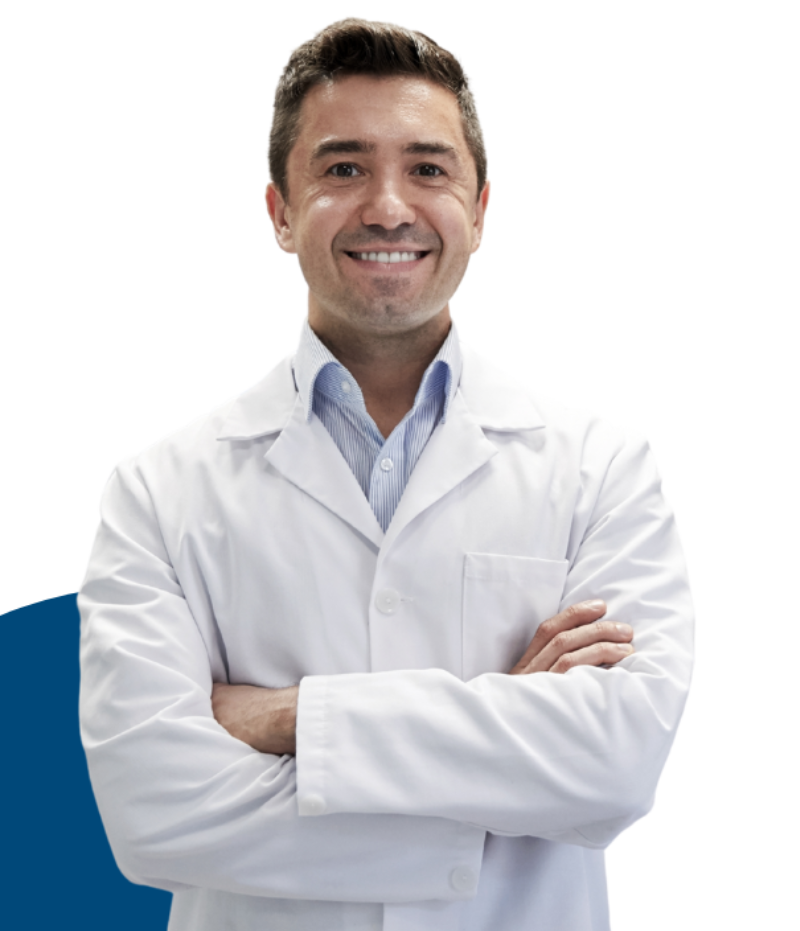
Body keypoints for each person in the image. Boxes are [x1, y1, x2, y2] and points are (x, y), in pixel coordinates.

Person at [78, 17, 695, 931]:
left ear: (480, 210)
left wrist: (292, 717)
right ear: (279, 213)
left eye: (428, 168)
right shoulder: (156, 490)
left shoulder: (602, 469)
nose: (389, 207)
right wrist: (501, 770)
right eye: (342, 168)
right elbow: (152, 814)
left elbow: (617, 765)